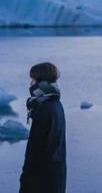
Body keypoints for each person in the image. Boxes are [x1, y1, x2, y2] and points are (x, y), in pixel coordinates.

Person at [19, 62, 67, 193]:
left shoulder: (44, 108)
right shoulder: (56, 104)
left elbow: (34, 152)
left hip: (41, 181)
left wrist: (25, 182)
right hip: (55, 177)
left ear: (41, 82)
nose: (30, 84)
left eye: (33, 79)